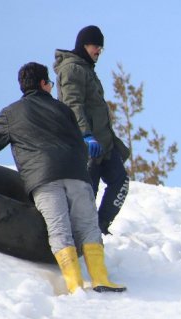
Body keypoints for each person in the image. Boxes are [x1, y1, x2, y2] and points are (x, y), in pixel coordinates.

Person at [0, 62, 125, 294]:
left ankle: (75, 284)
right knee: (88, 225)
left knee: (58, 228)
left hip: (44, 179)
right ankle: (101, 278)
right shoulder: (63, 109)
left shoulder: (11, 113)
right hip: (77, 174)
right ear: (44, 84)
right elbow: (79, 142)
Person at [54, 25, 131, 235]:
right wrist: (85, 134)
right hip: (86, 146)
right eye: (95, 46)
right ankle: (83, 234)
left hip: (104, 144)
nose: (98, 51)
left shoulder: (87, 70)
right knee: (87, 193)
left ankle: (100, 226)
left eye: (101, 48)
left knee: (121, 182)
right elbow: (73, 103)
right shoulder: (72, 69)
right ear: (83, 45)